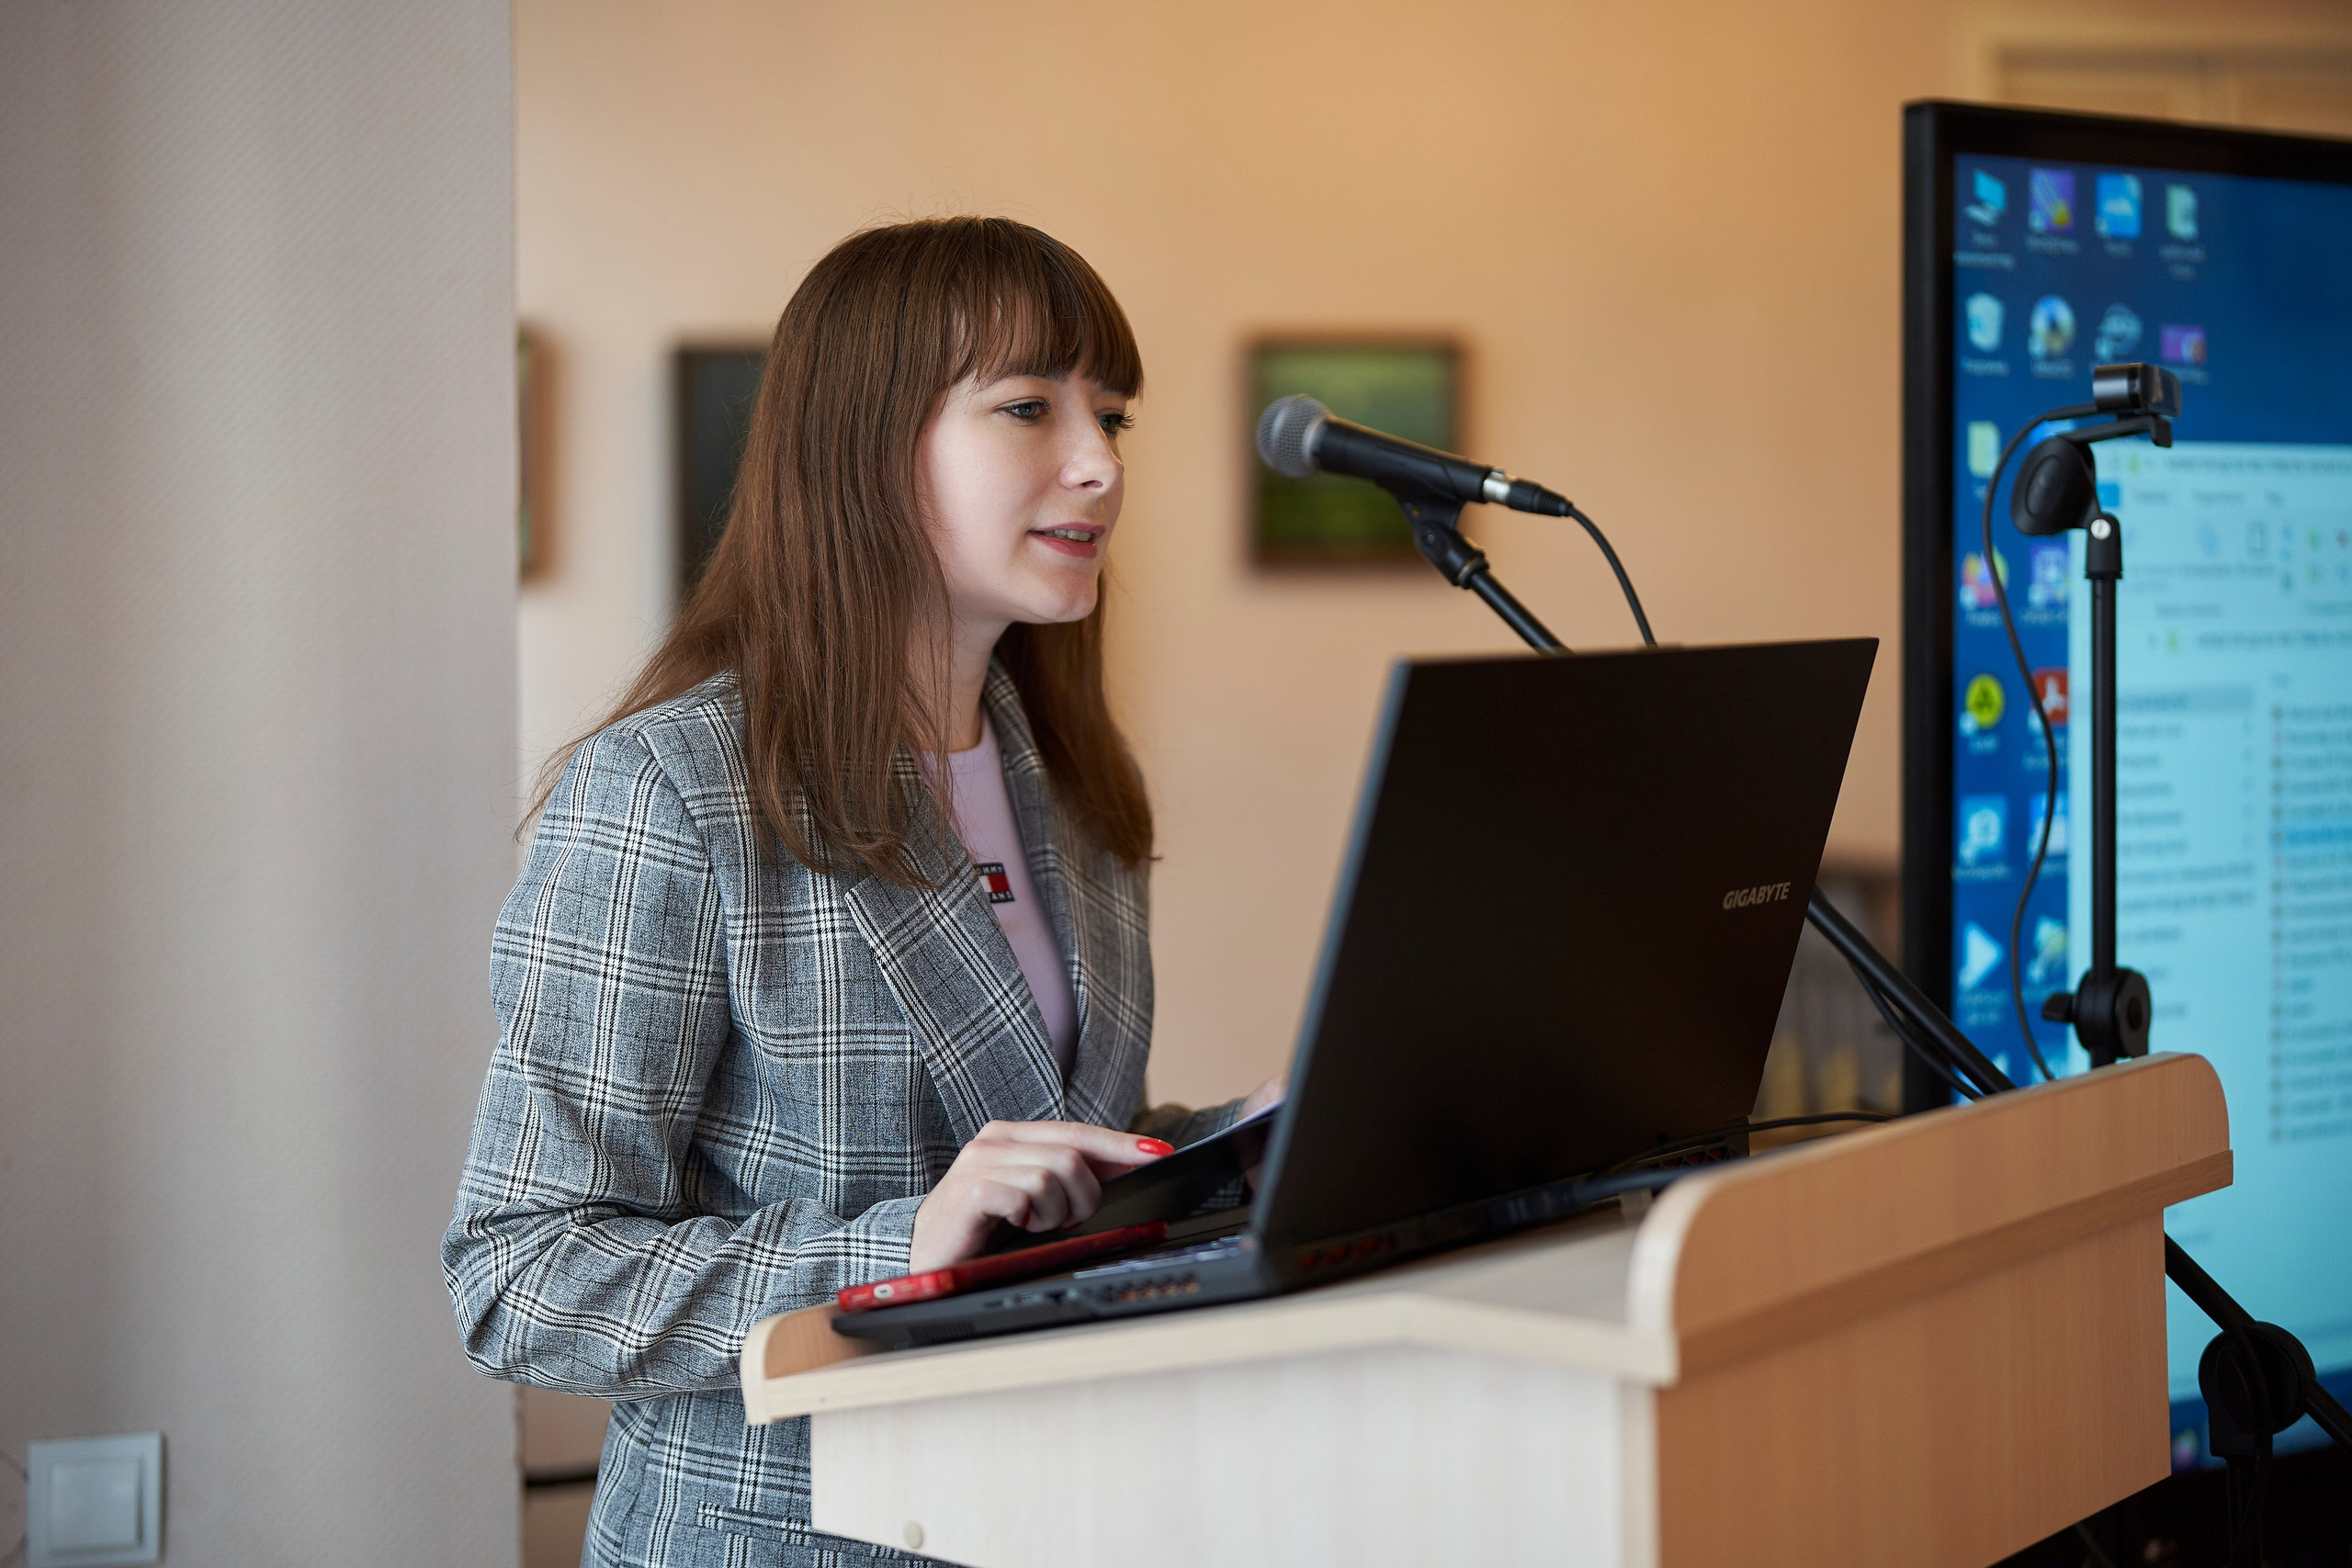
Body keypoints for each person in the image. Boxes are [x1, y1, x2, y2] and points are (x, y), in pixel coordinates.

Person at [444, 217, 1281, 1568]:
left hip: (1064, 1513)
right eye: (1029, 406)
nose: (1099, 464)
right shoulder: (668, 790)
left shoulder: (1072, 783)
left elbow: (1041, 1155)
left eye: (1114, 417)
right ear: (864, 444)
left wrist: (1251, 1136)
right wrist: (893, 1247)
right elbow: (522, 1276)